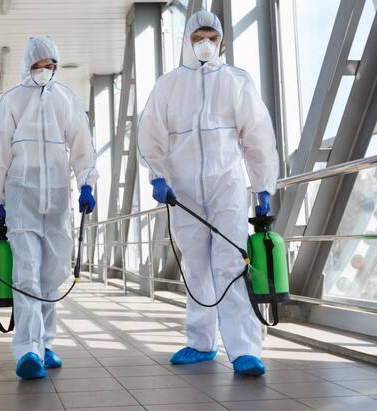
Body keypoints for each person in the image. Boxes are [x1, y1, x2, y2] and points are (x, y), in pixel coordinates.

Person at [137, 10, 279, 376]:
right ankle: (201, 342)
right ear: (187, 40)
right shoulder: (169, 86)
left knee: (231, 264)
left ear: (221, 42)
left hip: (226, 187)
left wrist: (263, 185)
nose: (205, 44)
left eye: (211, 38)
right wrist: (157, 176)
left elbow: (258, 137)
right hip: (183, 190)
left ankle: (244, 349)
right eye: (198, 37)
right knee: (196, 266)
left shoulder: (236, 81)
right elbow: (149, 135)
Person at [0, 36, 99, 380]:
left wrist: (88, 182)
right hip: (22, 200)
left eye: (50, 66)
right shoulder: (13, 101)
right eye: (38, 65)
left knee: (50, 276)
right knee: (28, 275)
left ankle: (46, 342)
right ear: (27, 65)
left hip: (58, 200)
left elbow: (82, 146)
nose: (44, 71)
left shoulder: (66, 100)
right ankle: (28, 349)